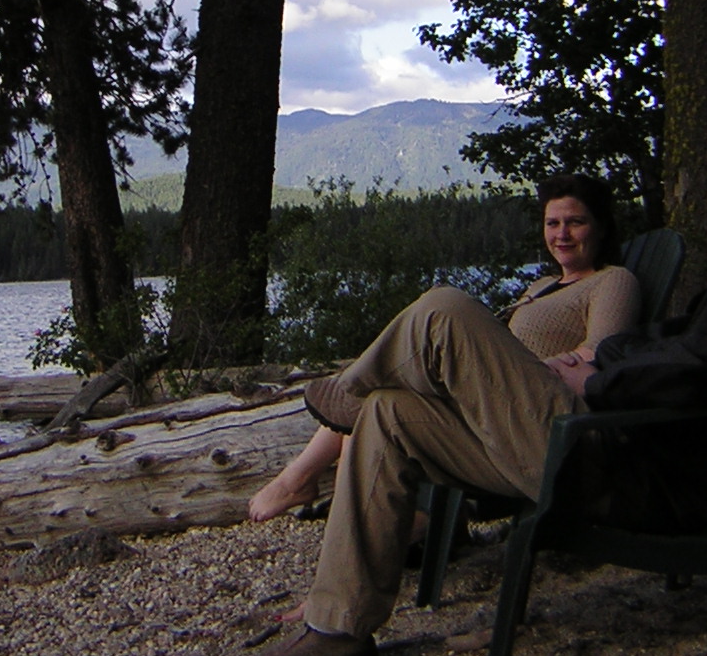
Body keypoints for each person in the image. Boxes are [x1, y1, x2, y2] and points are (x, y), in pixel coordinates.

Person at [224, 140, 707, 656]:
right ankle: (338, 629)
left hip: (629, 470)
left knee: (443, 310)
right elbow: (659, 344)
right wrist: (604, 364)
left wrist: (601, 380)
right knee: (389, 412)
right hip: (594, 445)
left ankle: (341, 396)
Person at [247, 172, 640, 532]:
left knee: (438, 310)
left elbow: (598, 355)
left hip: (530, 413)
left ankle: (306, 469)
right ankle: (402, 526)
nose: (562, 234)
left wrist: (535, 367)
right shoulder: (541, 286)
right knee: (379, 402)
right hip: (488, 401)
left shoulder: (612, 281)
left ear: (601, 227)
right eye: (552, 223)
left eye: (575, 222)